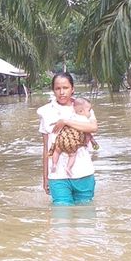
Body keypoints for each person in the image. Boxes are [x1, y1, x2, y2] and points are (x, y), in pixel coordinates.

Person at [37, 73, 98, 205]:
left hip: (83, 172)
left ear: (72, 89)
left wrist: (66, 121)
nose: (62, 92)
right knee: (61, 217)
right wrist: (45, 177)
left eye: (65, 88)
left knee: (85, 219)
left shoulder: (83, 107)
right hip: (57, 175)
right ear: (53, 90)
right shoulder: (45, 112)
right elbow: (46, 147)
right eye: (58, 88)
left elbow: (93, 127)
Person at [48, 97, 99, 177]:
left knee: (57, 151)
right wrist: (92, 141)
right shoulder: (84, 120)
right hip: (72, 144)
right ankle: (68, 168)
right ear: (81, 111)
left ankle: (54, 164)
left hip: (61, 140)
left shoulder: (71, 117)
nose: (90, 113)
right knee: (72, 155)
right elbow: (88, 133)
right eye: (89, 111)